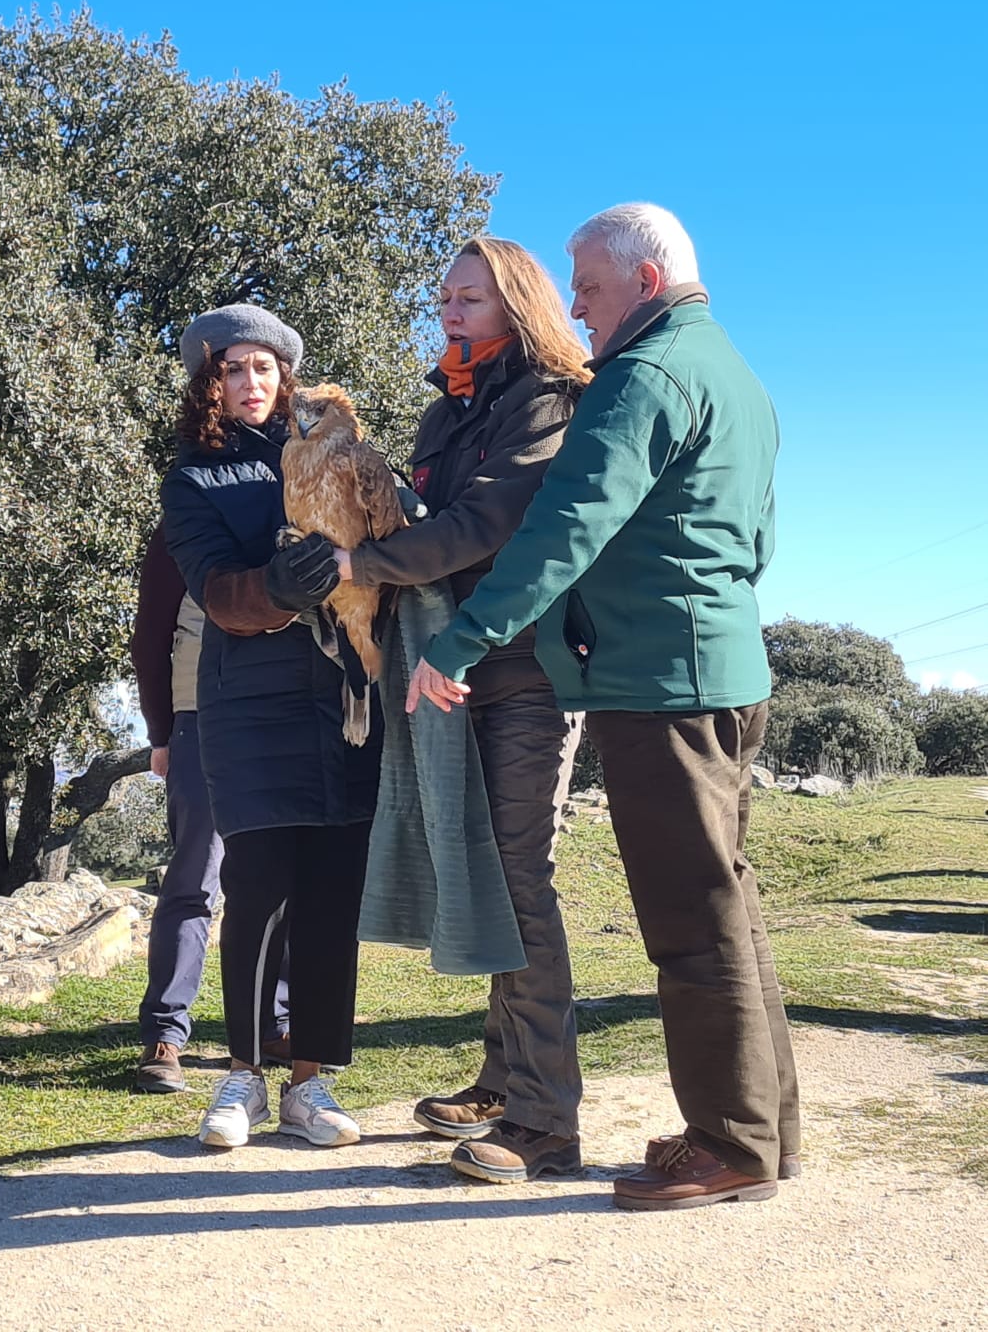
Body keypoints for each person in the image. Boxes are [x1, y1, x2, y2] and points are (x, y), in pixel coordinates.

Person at [408, 203, 801, 1211]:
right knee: (731, 909)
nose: (575, 304)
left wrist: (459, 642)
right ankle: (761, 1131)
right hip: (720, 671)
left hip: (660, 683)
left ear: (650, 278)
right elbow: (754, 542)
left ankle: (728, 1146)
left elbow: (562, 530)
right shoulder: (735, 376)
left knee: (691, 922)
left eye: (587, 284)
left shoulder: (642, 378)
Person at [337, 236, 591, 1184]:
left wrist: (359, 566)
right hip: (454, 670)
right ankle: (501, 1080)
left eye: (471, 298)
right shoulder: (451, 404)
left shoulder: (546, 399)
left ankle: (545, 1123)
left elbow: (485, 527)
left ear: (517, 304)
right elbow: (422, 519)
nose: (450, 310)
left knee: (522, 881)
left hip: (523, 671)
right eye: (444, 296)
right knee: (485, 875)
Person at [160, 303, 381, 1150]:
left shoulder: (333, 454)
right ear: (208, 384)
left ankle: (311, 1084)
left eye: (263, 369)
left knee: (331, 896)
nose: (249, 385)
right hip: (247, 703)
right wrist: (276, 590)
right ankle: (243, 1078)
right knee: (258, 889)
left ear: (285, 377)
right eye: (230, 370)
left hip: (343, 698)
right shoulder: (192, 479)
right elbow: (215, 588)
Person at [128, 520, 290, 1093]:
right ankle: (166, 1033)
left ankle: (275, 1022)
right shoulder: (182, 520)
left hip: (288, 705)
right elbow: (150, 633)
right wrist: (161, 733)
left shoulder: (296, 502)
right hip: (200, 711)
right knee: (196, 877)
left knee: (281, 876)